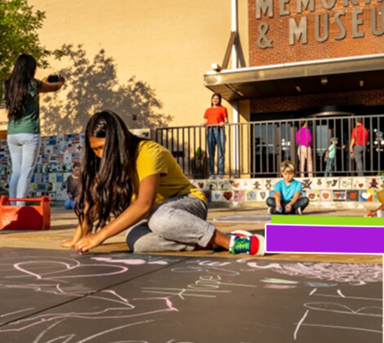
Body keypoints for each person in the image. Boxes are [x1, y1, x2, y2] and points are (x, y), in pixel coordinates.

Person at [62, 110, 265, 256]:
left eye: (102, 147)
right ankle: (209, 242)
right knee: (136, 241)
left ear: (117, 140)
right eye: (95, 149)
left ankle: (231, 241)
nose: (99, 155)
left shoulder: (148, 152)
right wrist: (77, 238)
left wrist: (100, 236)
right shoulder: (109, 163)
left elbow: (144, 204)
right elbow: (94, 202)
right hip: (156, 215)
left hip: (187, 204)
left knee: (159, 220)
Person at [4, 54, 65, 203]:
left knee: (16, 171)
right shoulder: (33, 84)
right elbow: (53, 88)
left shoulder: (8, 85)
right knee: (26, 171)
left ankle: (12, 206)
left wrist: (43, 82)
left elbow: (35, 89)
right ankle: (20, 207)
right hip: (29, 134)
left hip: (12, 134)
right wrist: (61, 81)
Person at [202, 94, 228, 177]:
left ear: (220, 100)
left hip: (219, 130)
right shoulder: (208, 110)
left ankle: (220, 173)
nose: (215, 100)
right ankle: (212, 173)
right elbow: (206, 121)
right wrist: (204, 123)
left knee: (221, 152)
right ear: (211, 99)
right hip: (210, 131)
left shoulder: (223, 109)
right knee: (211, 153)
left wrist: (223, 123)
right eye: (214, 98)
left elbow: (227, 121)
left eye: (217, 98)